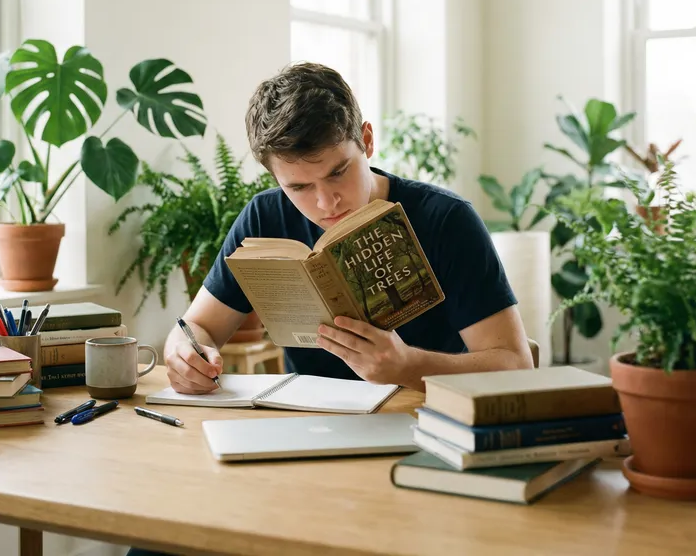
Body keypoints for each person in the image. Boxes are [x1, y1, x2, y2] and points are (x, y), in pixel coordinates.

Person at [127, 62, 533, 556]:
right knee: (160, 539)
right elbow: (197, 327)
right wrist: (185, 354)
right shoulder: (263, 217)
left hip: (422, 442)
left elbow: (514, 366)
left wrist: (410, 366)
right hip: (303, 441)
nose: (326, 203)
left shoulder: (447, 221)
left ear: (366, 139)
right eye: (298, 187)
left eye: (339, 171)